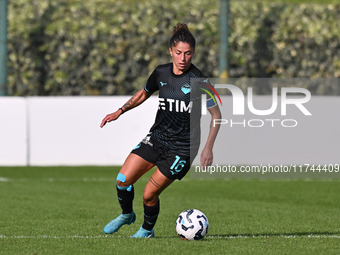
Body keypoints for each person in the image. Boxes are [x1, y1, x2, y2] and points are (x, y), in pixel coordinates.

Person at [100, 23, 221, 238]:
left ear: (193, 53)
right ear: (171, 51)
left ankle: (147, 230)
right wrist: (120, 111)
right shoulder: (161, 72)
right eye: (178, 53)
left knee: (149, 195)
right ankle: (127, 215)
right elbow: (144, 93)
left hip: (182, 149)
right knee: (122, 180)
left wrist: (208, 148)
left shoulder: (200, 81)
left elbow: (216, 116)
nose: (183, 58)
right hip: (157, 138)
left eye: (188, 53)